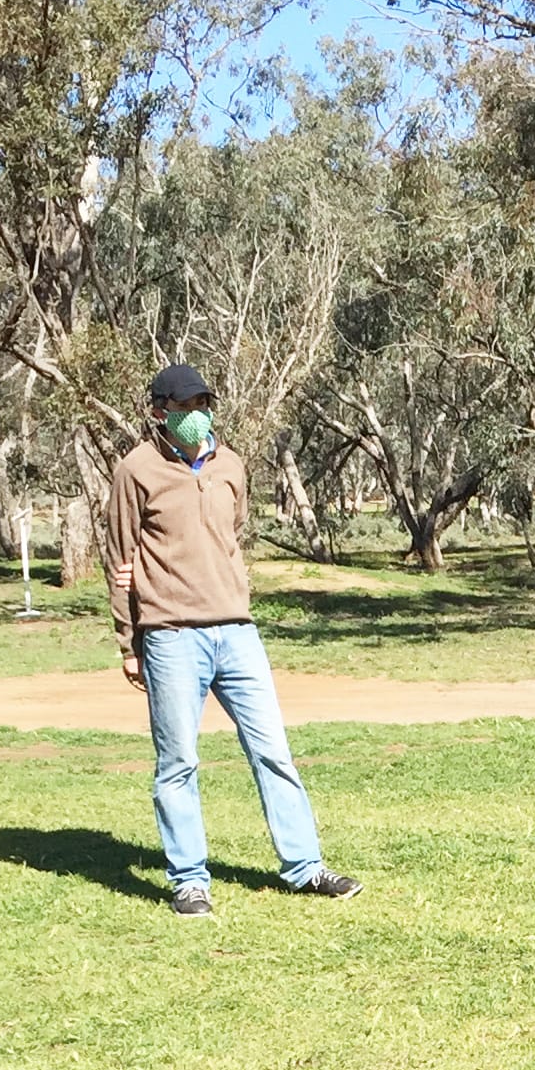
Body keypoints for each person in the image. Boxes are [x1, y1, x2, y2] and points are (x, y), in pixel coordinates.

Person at [106, 363, 361, 918]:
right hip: (170, 636)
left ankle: (305, 867)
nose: (198, 414)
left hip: (237, 632)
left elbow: (231, 534)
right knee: (178, 763)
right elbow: (120, 561)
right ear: (159, 412)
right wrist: (129, 642)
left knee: (273, 751)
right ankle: (189, 881)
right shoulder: (136, 471)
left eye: (203, 403)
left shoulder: (231, 466)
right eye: (185, 406)